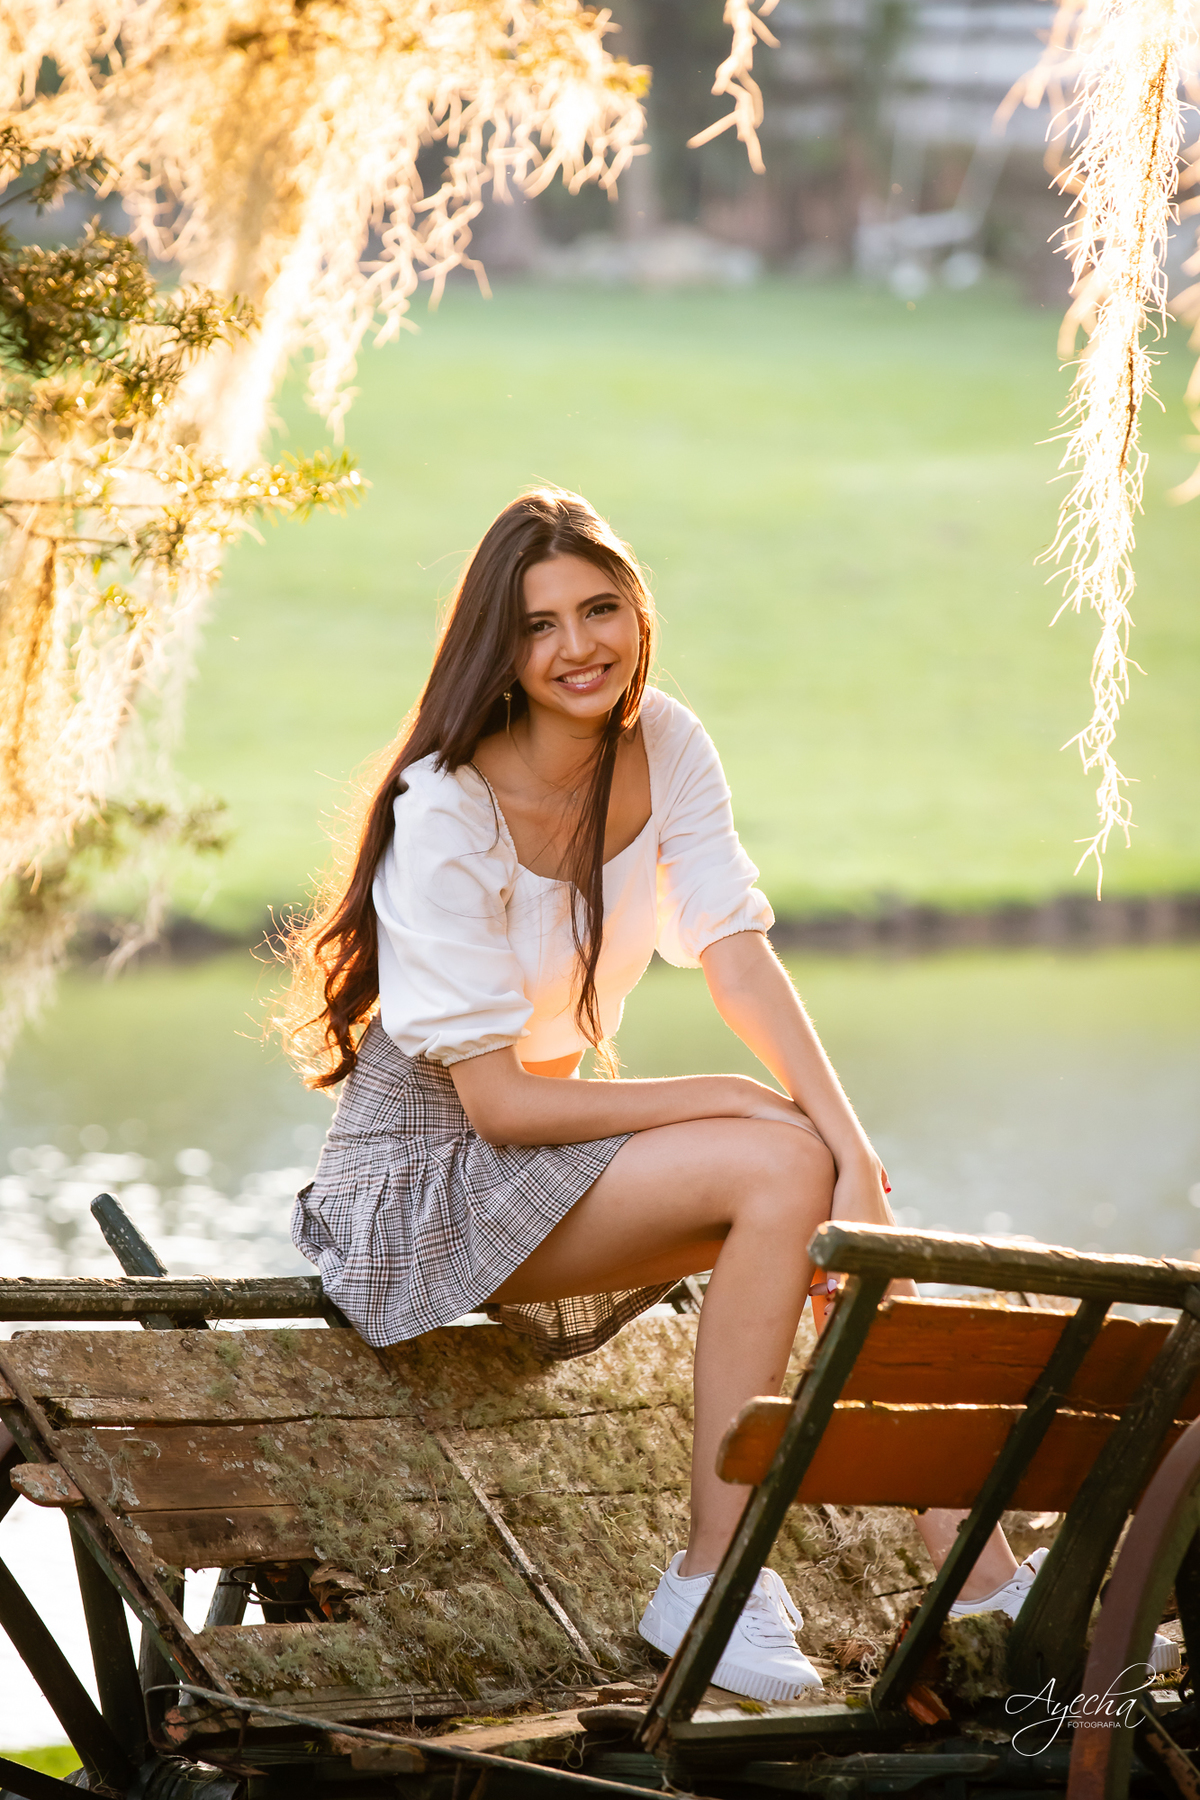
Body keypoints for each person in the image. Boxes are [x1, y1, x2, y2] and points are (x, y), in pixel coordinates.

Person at [281, 486, 1034, 1704]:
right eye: (539, 625)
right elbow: (502, 1111)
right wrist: (733, 1099)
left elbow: (734, 954)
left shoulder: (665, 741)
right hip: (417, 1187)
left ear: (638, 611)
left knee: (818, 1186)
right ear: (499, 651)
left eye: (600, 608)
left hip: (535, 1162)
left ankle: (974, 1560)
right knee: (774, 1156)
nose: (579, 646)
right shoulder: (447, 810)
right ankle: (709, 1583)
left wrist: (852, 1147)